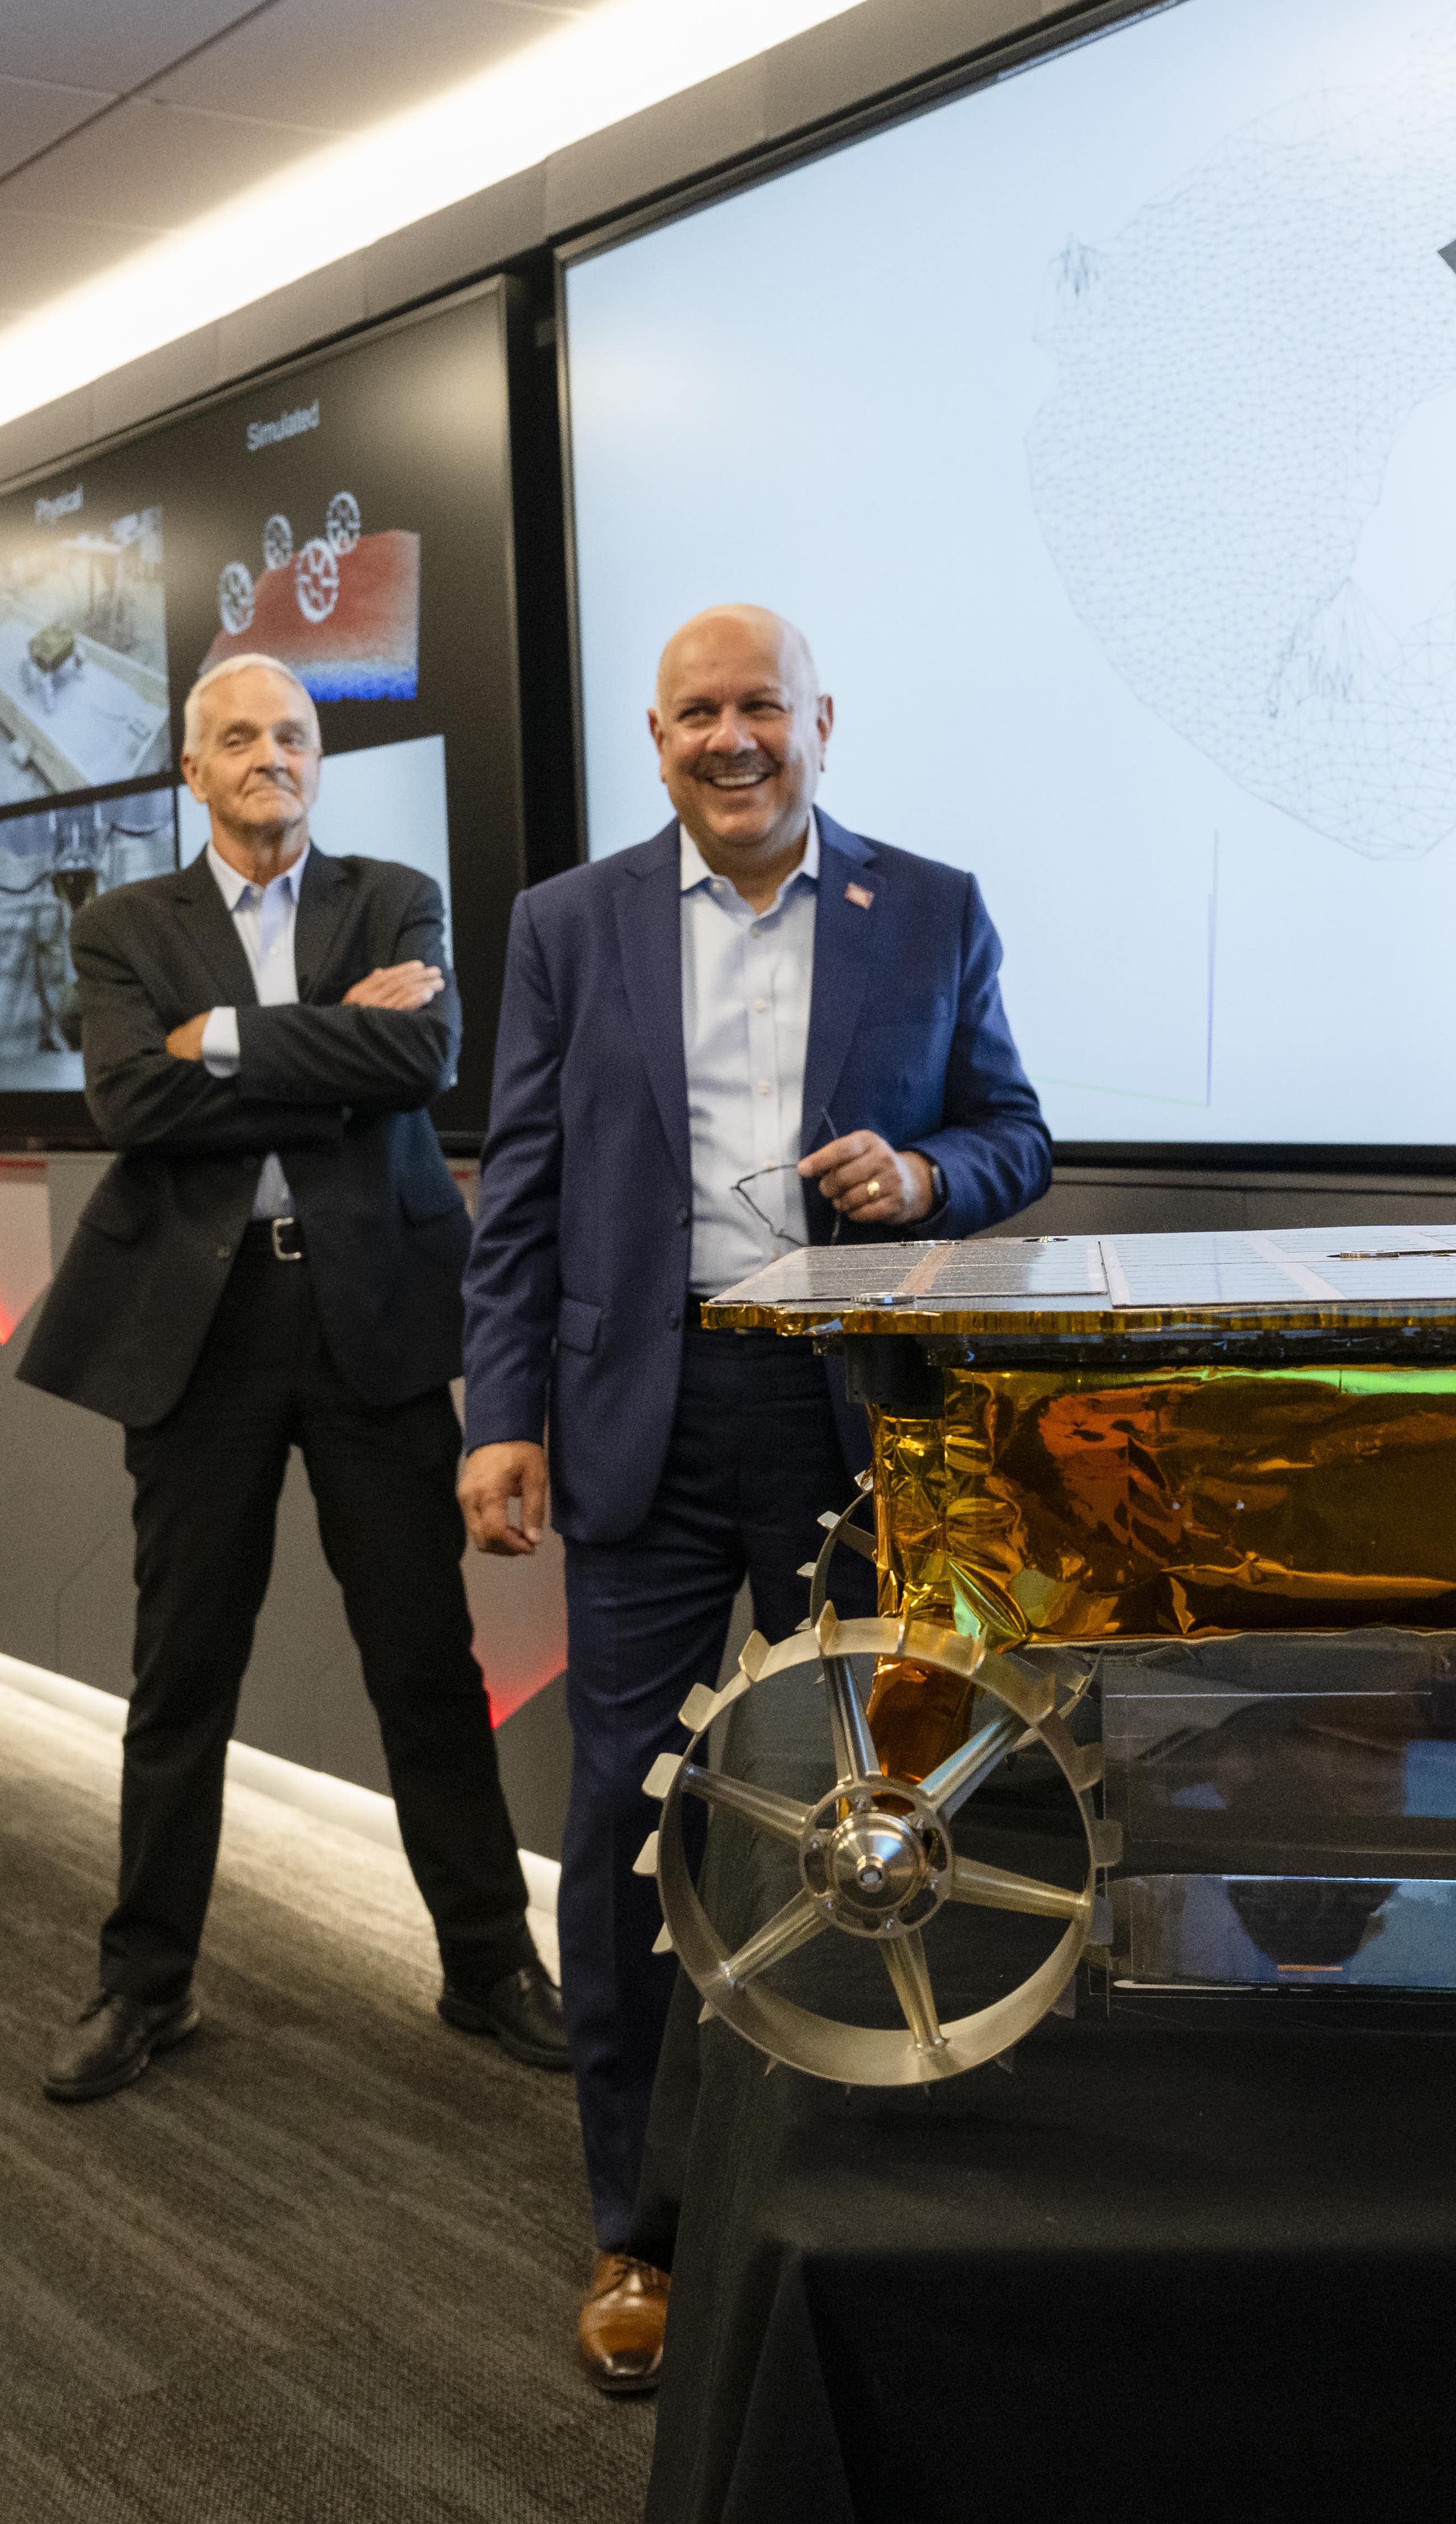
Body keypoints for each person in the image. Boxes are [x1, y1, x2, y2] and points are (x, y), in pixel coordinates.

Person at [461, 604, 1052, 2391]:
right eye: (698, 712)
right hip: (635, 1416)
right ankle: (634, 2225)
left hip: (844, 1418)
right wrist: (498, 1414)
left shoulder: (929, 907)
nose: (733, 738)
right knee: (623, 1816)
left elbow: (1016, 1136)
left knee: (863, 1806)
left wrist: (924, 1177)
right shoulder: (568, 924)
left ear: (820, 722)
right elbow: (521, 1187)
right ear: (654, 739)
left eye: (762, 708)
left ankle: (856, 2174)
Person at [17, 651, 561, 2100]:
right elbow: (133, 1100)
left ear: (320, 761)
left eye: (296, 736)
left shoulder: (394, 898)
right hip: (200, 1332)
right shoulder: (126, 923)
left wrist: (223, 1040)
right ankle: (145, 1984)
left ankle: (489, 1963)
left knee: (424, 1663)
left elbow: (421, 1058)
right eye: (243, 736)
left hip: (369, 1316)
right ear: (192, 769)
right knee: (181, 1672)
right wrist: (332, 1051)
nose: (273, 756)